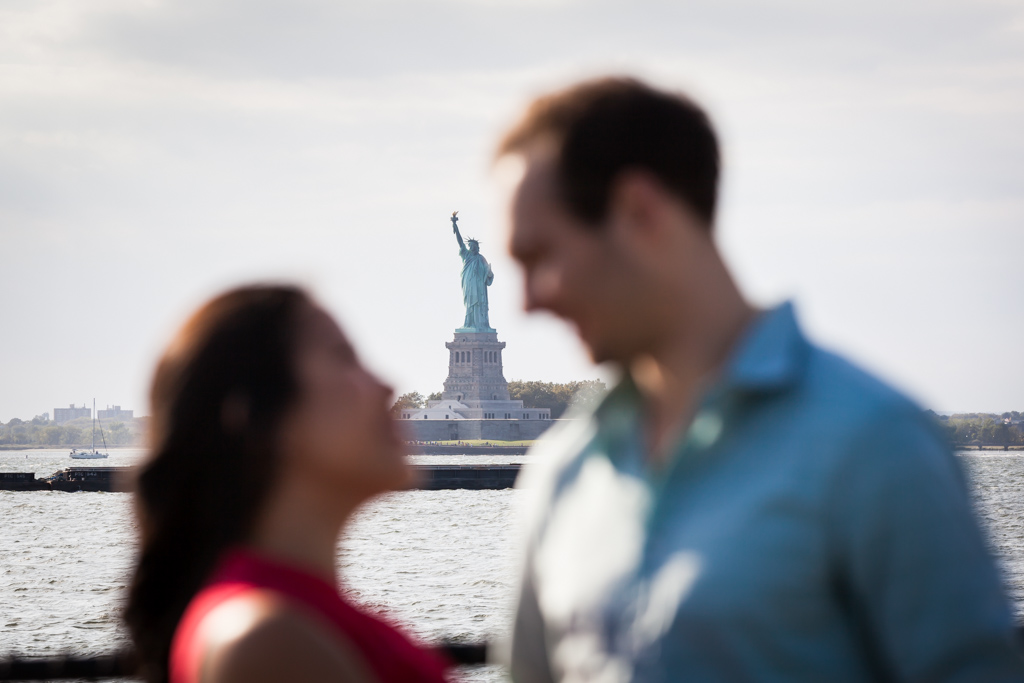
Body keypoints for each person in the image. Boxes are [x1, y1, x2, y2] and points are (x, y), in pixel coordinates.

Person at [495, 77, 1024, 682]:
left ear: (640, 212)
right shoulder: (561, 468)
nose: (525, 304)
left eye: (539, 257)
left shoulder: (877, 446)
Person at [125, 285, 451, 683]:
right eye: (342, 357)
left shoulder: (287, 618)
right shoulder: (266, 639)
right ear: (263, 418)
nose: (387, 386)